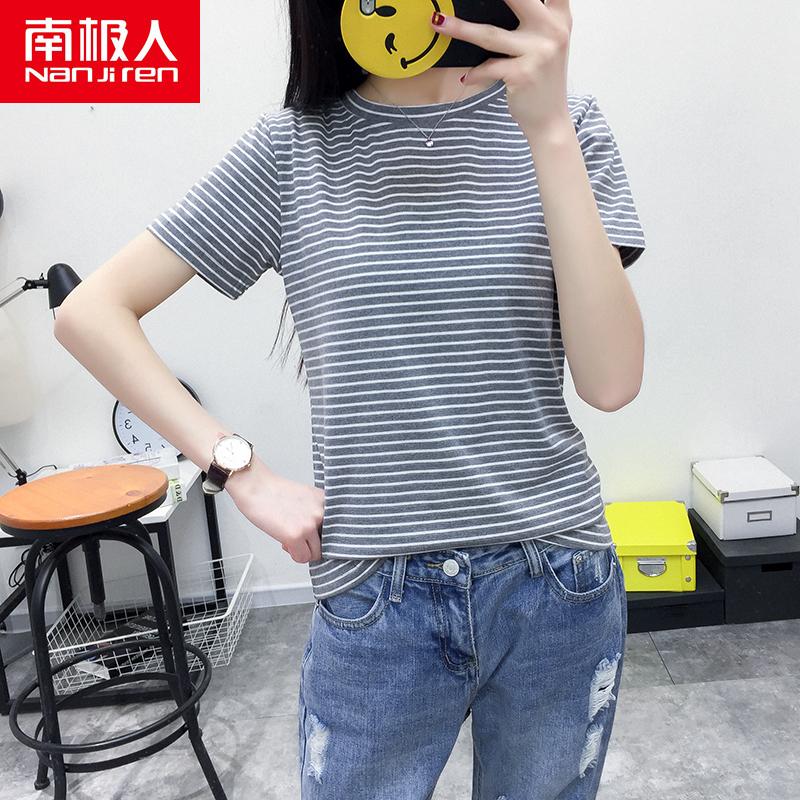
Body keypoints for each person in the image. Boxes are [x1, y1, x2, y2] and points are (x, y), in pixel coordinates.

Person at [54, 0, 646, 797]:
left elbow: (611, 383)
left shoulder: (570, 126)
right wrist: (240, 470)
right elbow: (89, 313)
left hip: (557, 575)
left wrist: (547, 130)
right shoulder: (295, 148)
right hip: (378, 596)